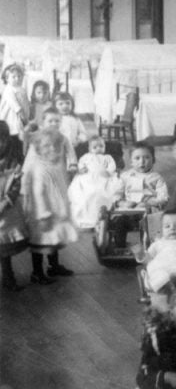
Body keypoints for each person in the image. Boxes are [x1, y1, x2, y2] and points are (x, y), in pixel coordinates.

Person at [22, 128, 78, 283]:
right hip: (43, 212)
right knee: (40, 242)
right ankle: (37, 272)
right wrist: (43, 213)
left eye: (55, 145)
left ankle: (54, 266)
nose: (52, 149)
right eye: (46, 146)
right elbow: (38, 192)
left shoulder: (54, 165)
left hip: (55, 209)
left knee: (54, 238)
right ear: (38, 149)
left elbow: (60, 186)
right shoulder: (39, 168)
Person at [113, 141, 168, 248]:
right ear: (131, 162)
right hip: (129, 212)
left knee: (147, 224)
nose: (142, 162)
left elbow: (164, 197)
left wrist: (150, 203)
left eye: (146, 158)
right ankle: (119, 247)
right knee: (119, 222)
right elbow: (117, 193)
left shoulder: (157, 178)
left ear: (153, 160)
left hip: (149, 212)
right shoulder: (125, 176)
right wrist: (121, 202)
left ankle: (146, 247)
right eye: (137, 158)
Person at [68, 135, 120, 228]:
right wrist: (82, 168)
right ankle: (87, 217)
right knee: (84, 192)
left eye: (101, 146)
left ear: (104, 147)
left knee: (103, 191)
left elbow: (112, 165)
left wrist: (108, 171)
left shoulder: (107, 157)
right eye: (95, 147)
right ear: (89, 148)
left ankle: (102, 215)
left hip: (103, 177)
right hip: (88, 176)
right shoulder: (86, 157)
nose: (98, 149)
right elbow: (80, 163)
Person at [0, 120, 28, 291]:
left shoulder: (12, 163)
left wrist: (5, 202)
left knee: (3, 246)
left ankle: (8, 277)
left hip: (6, 210)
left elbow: (16, 185)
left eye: (1, 140)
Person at [23, 107, 78, 174]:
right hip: (41, 168)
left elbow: (70, 151)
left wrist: (73, 164)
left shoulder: (63, 138)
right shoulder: (39, 135)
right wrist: (28, 128)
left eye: (57, 121)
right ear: (43, 122)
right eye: (50, 121)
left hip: (57, 167)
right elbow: (29, 146)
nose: (54, 124)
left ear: (61, 122)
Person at [0, 64, 30, 154]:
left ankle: (18, 153)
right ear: (7, 78)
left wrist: (26, 113)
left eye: (19, 76)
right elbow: (14, 104)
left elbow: (25, 103)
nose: (17, 79)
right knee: (12, 131)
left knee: (20, 134)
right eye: (14, 77)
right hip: (11, 115)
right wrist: (20, 113)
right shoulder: (8, 90)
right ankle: (9, 152)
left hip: (21, 115)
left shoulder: (22, 89)